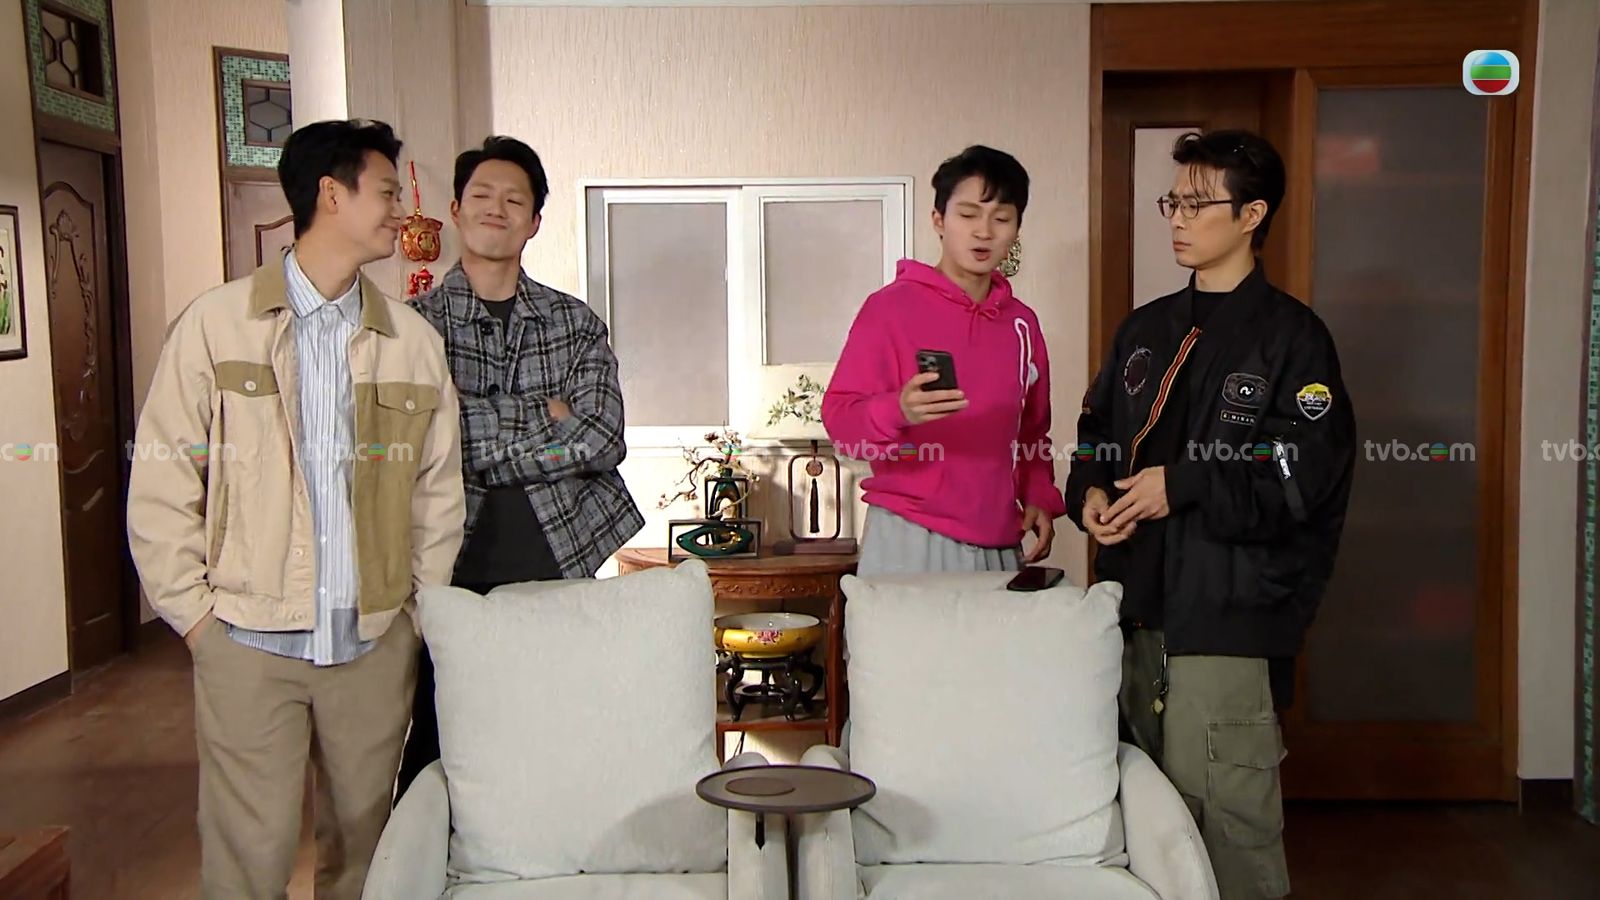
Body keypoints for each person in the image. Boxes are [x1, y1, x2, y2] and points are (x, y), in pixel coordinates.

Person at [126, 118, 466, 899]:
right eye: (386, 193)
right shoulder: (216, 325)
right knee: (248, 859)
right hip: (246, 641)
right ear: (330, 194)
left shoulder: (410, 341)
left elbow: (437, 494)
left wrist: (414, 615)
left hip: (372, 643)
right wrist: (196, 619)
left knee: (366, 857)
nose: (400, 212)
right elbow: (163, 475)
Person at [1064, 129, 1356, 900]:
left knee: (1227, 830)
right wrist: (1088, 495)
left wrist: (1184, 484)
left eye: (1198, 204)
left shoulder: (1293, 339)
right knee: (1132, 823)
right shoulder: (1145, 330)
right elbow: (1096, 433)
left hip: (1228, 619)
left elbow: (1299, 475)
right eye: (1174, 202)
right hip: (1131, 615)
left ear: (1252, 214)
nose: (1178, 219)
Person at [398, 136, 644, 795]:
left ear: (534, 221)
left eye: (515, 200)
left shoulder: (574, 323)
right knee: (441, 747)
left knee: (556, 744)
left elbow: (601, 440)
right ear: (455, 210)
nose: (496, 208)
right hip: (448, 565)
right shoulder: (413, 326)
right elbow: (420, 444)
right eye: (481, 195)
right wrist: (546, 416)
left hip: (557, 555)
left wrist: (472, 428)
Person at [822, 145, 1065, 577]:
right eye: (968, 215)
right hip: (909, 535)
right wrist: (898, 410)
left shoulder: (1022, 323)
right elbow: (841, 422)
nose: (984, 232)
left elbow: (1032, 431)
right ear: (939, 220)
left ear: (1017, 228)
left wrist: (1038, 495)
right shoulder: (889, 310)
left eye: (1001, 218)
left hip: (999, 539)